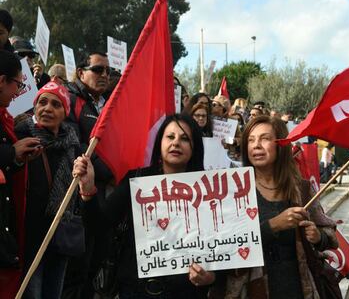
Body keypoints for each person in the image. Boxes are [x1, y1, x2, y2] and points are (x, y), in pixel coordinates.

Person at [73, 114, 215, 298]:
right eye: (170, 137)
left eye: (185, 138)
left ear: (195, 147)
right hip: (135, 291)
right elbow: (98, 225)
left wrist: (212, 277)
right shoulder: (137, 181)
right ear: (160, 143)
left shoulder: (210, 191)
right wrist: (88, 189)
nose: (176, 143)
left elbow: (224, 251)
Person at [237, 115, 338, 298]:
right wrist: (273, 225)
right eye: (250, 140)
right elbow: (231, 245)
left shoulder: (302, 188)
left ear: (280, 145)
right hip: (254, 289)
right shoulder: (236, 191)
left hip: (300, 288)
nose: (256, 145)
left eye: (265, 138)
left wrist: (317, 237)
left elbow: (329, 237)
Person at [14, 82, 80, 299]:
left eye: (56, 104)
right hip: (29, 237)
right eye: (42, 102)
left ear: (65, 113)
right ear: (34, 107)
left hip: (59, 238)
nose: (48, 109)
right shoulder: (20, 138)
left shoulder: (73, 146)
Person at [63, 51, 114, 298]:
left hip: (102, 196)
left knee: (95, 263)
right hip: (77, 199)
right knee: (77, 268)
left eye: (108, 71)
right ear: (81, 72)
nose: (105, 75)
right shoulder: (71, 100)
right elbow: (75, 144)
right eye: (98, 70)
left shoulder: (108, 103)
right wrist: (109, 171)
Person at [0, 50, 41, 299]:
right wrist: (9, 152)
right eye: (18, 84)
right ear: (2, 81)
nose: (18, 92)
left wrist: (16, 158)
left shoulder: (5, 118)